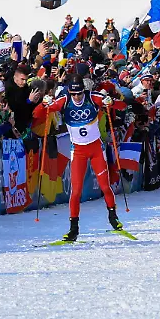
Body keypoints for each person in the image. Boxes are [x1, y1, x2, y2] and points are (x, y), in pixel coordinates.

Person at [39, 75, 127, 241]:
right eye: (74, 94)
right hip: (78, 151)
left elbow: (123, 106)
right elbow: (40, 113)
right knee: (76, 191)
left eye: (79, 93)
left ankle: (113, 217)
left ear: (83, 90)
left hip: (95, 149)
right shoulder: (65, 101)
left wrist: (112, 103)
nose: (77, 97)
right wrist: (45, 104)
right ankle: (73, 229)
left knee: (105, 186)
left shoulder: (93, 97)